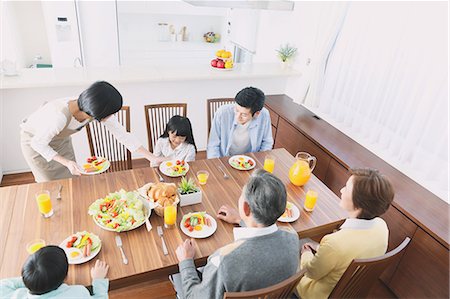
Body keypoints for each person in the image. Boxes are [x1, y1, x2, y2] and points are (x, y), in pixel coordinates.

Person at [173, 170, 299, 299]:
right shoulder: (293, 239)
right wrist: (243, 220)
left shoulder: (223, 260)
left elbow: (194, 297)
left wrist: (186, 262)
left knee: (176, 273)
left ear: (246, 207)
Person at [20, 81, 163, 182]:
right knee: (52, 184)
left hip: (60, 141)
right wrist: (66, 162)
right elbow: (37, 143)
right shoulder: (59, 117)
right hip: (35, 143)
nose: (112, 117)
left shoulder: (91, 106)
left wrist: (151, 157)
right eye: (111, 113)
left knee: (72, 180)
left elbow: (122, 134)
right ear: (100, 112)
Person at [296, 168, 395, 299]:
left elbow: (310, 272)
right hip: (347, 290)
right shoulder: (381, 226)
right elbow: (347, 254)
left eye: (347, 189)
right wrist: (321, 248)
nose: (342, 190)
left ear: (359, 204)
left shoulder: (335, 243)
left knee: (290, 246)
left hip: (315, 294)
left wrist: (306, 253)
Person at [0, 245, 109, 298]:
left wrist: (35, 279)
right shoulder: (78, 293)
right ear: (65, 276)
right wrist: (98, 280)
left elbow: (3, 284)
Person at [207, 87, 273, 159]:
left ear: (257, 113)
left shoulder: (264, 115)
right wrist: (216, 165)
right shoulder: (222, 113)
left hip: (250, 159)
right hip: (225, 158)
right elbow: (213, 145)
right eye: (237, 110)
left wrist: (258, 161)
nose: (237, 117)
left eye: (244, 114)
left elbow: (267, 142)